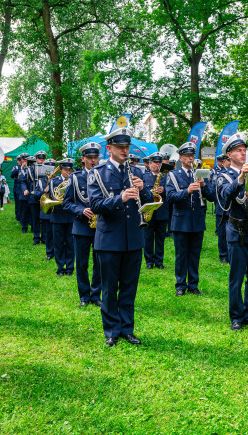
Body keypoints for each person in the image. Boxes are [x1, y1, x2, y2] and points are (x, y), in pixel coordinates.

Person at [87, 127, 153, 346]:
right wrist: (120, 198)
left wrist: (144, 191)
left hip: (133, 238)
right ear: (109, 149)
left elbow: (148, 202)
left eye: (127, 147)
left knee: (129, 287)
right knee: (109, 288)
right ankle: (112, 331)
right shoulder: (97, 173)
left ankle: (127, 328)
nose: (125, 151)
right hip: (109, 240)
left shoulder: (137, 172)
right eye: (120, 147)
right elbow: (95, 205)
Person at [216, 133, 248, 331]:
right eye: (238, 150)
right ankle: (236, 316)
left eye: (245, 150)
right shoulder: (224, 175)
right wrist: (242, 179)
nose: (243, 153)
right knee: (236, 277)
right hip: (237, 230)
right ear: (229, 154)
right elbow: (225, 195)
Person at [165, 142, 216, 296]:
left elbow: (212, 196)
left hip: (197, 220)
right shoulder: (173, 175)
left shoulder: (200, 173)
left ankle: (193, 285)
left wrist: (204, 186)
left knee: (195, 254)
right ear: (180, 158)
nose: (190, 158)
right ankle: (180, 285)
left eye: (192, 155)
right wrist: (186, 191)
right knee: (181, 255)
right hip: (181, 220)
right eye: (187, 156)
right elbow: (170, 197)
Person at [64, 142, 102, 307]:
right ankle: (84, 297)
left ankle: (96, 295)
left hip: (101, 225)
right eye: (90, 158)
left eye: (95, 157)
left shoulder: (103, 175)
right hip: (81, 226)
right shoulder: (75, 177)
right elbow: (66, 203)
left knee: (99, 262)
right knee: (81, 263)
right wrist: (80, 210)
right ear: (83, 159)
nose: (93, 160)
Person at [47, 158, 75, 276]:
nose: (68, 172)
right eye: (65, 170)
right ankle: (60, 267)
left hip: (70, 216)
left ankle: (69, 267)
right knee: (58, 243)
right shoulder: (54, 181)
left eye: (70, 170)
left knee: (70, 243)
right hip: (57, 215)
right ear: (61, 170)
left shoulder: (74, 180)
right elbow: (53, 195)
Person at [142, 152, 168, 270]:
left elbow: (172, 191)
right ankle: (149, 261)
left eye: (159, 163)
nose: (157, 165)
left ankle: (159, 261)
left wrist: (165, 190)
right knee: (147, 237)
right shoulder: (144, 176)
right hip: (148, 210)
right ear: (150, 163)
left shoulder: (166, 176)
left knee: (160, 237)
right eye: (155, 163)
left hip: (162, 211)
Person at [35, 158, 56, 261]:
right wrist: (44, 191)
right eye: (48, 167)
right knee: (48, 233)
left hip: (57, 210)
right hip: (46, 211)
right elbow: (36, 193)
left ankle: (57, 251)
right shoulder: (40, 180)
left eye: (52, 167)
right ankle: (49, 252)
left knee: (57, 233)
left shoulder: (57, 179)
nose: (50, 169)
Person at [212, 154, 230, 263]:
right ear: (224, 162)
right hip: (222, 207)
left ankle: (231, 253)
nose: (229, 162)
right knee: (222, 233)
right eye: (227, 160)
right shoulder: (220, 174)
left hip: (233, 209)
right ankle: (223, 254)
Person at [27, 151, 47, 245]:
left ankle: (44, 237)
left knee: (44, 218)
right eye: (39, 159)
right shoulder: (31, 169)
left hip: (45, 196)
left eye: (43, 159)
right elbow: (24, 181)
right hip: (33, 196)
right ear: (36, 159)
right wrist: (25, 190)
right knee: (35, 218)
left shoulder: (48, 168)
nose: (41, 160)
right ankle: (36, 237)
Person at [10, 155, 24, 222]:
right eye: (19, 160)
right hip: (17, 187)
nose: (20, 162)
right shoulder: (15, 167)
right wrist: (20, 168)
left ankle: (23, 217)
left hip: (24, 187)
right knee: (17, 204)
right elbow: (12, 175)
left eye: (21, 160)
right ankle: (17, 216)